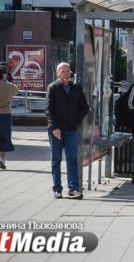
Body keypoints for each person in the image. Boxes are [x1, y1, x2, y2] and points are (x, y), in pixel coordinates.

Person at [45, 62, 89, 199]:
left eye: (67, 71)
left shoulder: (76, 89)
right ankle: (57, 189)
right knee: (56, 159)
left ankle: (73, 188)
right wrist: (54, 127)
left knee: (72, 158)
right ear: (57, 73)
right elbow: (48, 110)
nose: (65, 74)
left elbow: (85, 108)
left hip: (71, 130)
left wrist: (76, 121)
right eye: (62, 71)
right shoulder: (53, 88)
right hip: (56, 130)